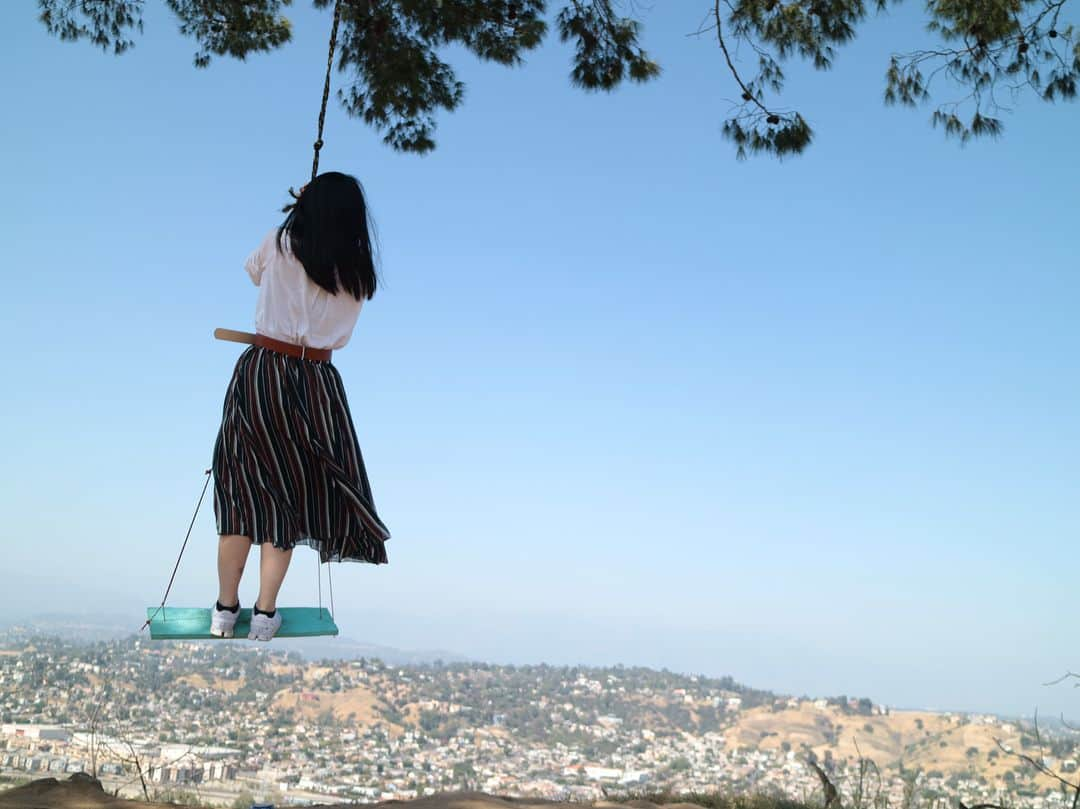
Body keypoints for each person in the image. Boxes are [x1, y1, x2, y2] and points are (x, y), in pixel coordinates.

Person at [209, 171, 391, 641]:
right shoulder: (358, 273)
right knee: (288, 499)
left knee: (240, 490)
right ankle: (266, 614)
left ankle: (225, 610)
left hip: (263, 373)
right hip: (318, 385)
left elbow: (253, 271)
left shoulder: (280, 243)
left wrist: (295, 212)